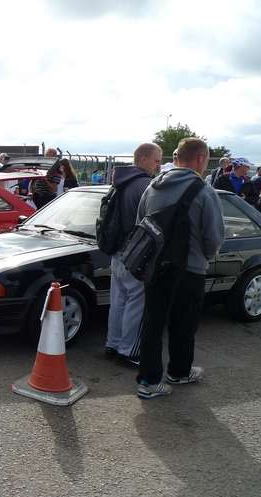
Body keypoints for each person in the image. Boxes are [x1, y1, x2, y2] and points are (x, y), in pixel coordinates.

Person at [135, 138, 224, 399]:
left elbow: (141, 223)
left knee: (152, 323)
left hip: (156, 266)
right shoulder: (204, 191)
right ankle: (179, 371)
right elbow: (214, 237)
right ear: (199, 159)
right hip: (190, 268)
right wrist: (205, 256)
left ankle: (149, 382)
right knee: (184, 324)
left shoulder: (153, 186)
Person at [104, 143, 162, 367]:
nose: (158, 165)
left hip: (116, 250)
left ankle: (113, 343)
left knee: (118, 300)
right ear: (144, 159)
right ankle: (128, 351)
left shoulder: (118, 182)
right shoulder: (146, 186)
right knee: (137, 301)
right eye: (156, 160)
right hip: (136, 252)